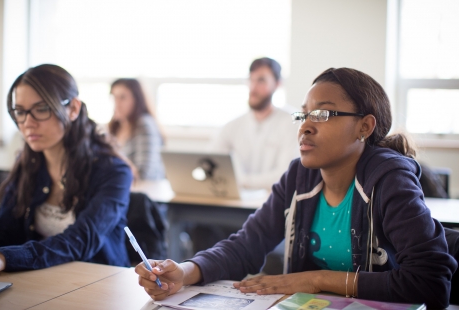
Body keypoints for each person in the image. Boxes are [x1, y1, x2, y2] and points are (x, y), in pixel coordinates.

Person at [135, 68, 457, 308]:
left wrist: (314, 280)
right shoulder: (299, 177)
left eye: (322, 113)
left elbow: (429, 282)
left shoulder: (388, 178)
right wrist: (186, 271)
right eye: (303, 115)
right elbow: (246, 245)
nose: (305, 125)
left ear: (364, 126)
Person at [0, 64, 133, 272]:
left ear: (73, 109)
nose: (28, 123)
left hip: (97, 284)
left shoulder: (113, 171)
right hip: (41, 281)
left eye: (42, 109)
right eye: (20, 112)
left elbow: (79, 241)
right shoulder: (28, 164)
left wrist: (4, 258)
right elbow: (4, 232)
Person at [209, 57, 299, 190]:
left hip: (273, 202)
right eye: (251, 79)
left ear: (277, 84)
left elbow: (286, 174)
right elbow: (211, 161)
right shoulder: (232, 126)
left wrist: (241, 181)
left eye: (261, 80)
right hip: (235, 201)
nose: (253, 87)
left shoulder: (293, 122)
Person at [109, 78, 165, 181]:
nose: (117, 103)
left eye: (123, 97)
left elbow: (144, 173)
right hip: (126, 187)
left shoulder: (144, 124)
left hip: (147, 189)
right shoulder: (114, 127)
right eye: (114, 97)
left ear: (136, 99)